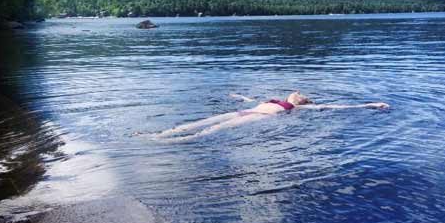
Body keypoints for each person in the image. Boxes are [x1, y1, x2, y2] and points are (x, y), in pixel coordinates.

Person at [135, 91, 388, 141]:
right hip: (247, 110)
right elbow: (251, 101)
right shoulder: (274, 100)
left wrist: (370, 104)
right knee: (200, 121)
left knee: (211, 130)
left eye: (301, 94)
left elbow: (334, 107)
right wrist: (238, 97)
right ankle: (160, 134)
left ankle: (177, 140)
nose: (297, 92)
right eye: (296, 91)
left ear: (301, 101)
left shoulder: (300, 108)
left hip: (258, 119)